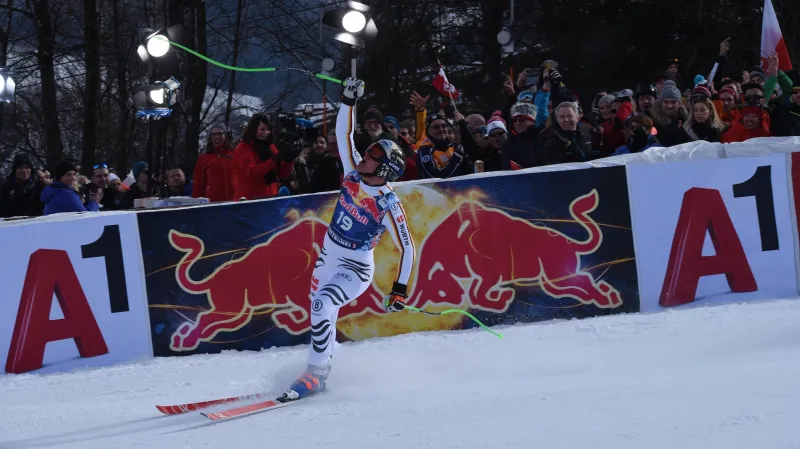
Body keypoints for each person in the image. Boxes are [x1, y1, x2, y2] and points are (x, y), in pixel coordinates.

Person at [281, 78, 416, 402]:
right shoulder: (354, 173)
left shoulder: (386, 202)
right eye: (367, 150)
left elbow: (408, 247)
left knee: (323, 303)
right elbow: (342, 135)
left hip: (353, 268)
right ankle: (322, 366)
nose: (363, 156)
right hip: (327, 258)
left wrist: (399, 289)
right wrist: (347, 101)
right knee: (320, 311)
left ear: (384, 168)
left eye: (371, 155)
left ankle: (316, 374)